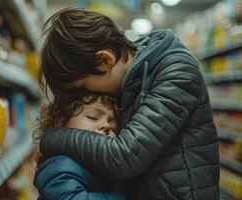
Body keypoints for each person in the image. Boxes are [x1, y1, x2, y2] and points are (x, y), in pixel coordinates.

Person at [38, 8, 220, 200]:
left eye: (82, 86)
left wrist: (51, 138)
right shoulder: (130, 81)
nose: (85, 94)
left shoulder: (176, 71)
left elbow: (126, 156)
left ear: (105, 60)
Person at [34, 94, 126, 200]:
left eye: (112, 123)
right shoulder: (59, 165)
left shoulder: (99, 163)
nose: (107, 125)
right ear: (60, 120)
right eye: (93, 117)